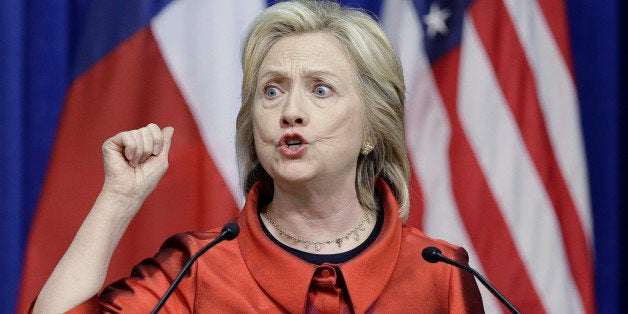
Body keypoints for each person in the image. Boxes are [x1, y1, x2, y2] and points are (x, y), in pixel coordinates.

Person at [32, 0, 484, 312]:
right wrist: (119, 198)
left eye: (320, 89)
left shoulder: (438, 273)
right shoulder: (197, 267)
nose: (290, 112)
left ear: (372, 128)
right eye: (272, 91)